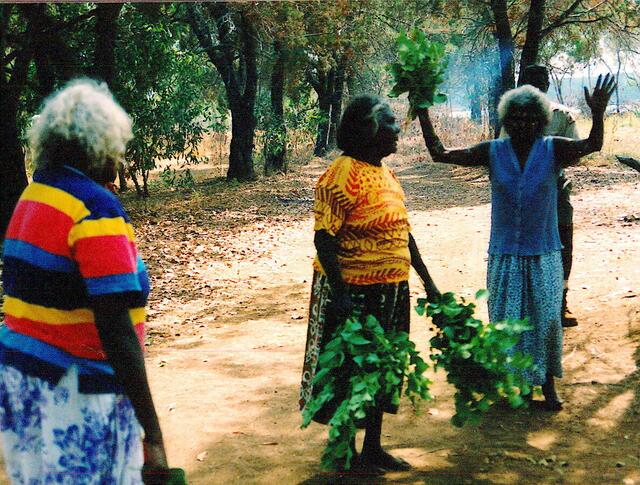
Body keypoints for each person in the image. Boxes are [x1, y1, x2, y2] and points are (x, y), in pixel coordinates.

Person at [0, 79, 168, 482]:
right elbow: (116, 328)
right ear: (98, 145)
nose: (119, 158)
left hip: (22, 383)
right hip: (76, 391)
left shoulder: (34, 197)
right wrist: (153, 431)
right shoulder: (94, 208)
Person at [417, 74, 615, 410]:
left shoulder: (553, 149)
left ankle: (547, 387)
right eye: (516, 118)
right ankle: (516, 387)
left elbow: (591, 146)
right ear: (506, 121)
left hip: (543, 253)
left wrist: (598, 114)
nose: (523, 124)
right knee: (507, 321)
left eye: (530, 118)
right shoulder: (492, 152)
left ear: (542, 121)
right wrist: (423, 112)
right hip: (505, 254)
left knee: (546, 320)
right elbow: (440, 154)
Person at [299, 95, 441, 473]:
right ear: (366, 128)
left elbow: (403, 233)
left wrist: (428, 283)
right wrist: (342, 294)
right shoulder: (341, 174)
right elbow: (324, 239)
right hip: (354, 290)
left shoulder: (387, 175)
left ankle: (373, 448)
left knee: (382, 369)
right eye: (390, 122)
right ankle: (346, 453)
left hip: (391, 289)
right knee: (350, 372)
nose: (397, 129)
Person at [501, 65, 580, 327]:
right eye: (532, 81)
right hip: (522, 193)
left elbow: (576, 154)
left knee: (563, 243)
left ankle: (561, 303)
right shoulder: (511, 116)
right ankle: (529, 306)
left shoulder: (563, 116)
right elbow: (502, 154)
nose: (538, 85)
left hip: (555, 189)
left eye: (541, 81)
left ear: (547, 85)